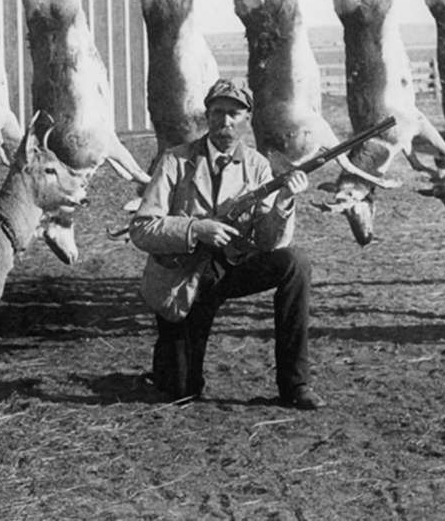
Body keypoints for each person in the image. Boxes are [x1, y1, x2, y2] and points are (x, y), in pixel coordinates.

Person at [129, 78, 324, 409]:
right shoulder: (175, 160)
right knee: (181, 392)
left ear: (247, 119)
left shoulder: (258, 166)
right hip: (185, 277)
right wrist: (197, 229)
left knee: (295, 263)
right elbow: (142, 228)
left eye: (235, 114)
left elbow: (267, 242)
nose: (225, 121)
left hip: (232, 268)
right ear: (207, 116)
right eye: (218, 112)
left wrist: (284, 202)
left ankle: (295, 385)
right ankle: (167, 370)